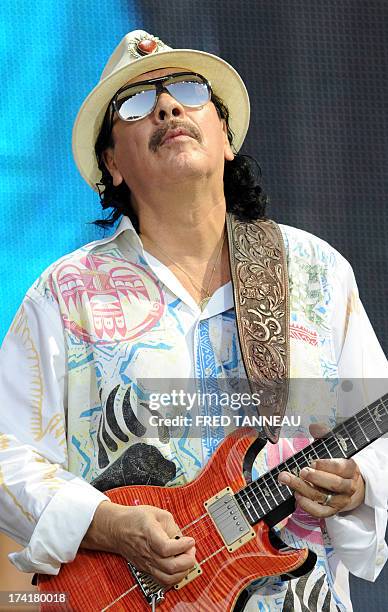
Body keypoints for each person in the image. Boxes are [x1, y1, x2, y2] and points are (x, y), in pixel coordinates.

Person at [0, 29, 387, 611]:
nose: (167, 105)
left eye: (187, 89)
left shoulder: (315, 271)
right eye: (135, 103)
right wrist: (105, 523)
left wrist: (359, 486)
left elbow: (376, 431)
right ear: (112, 162)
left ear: (225, 137)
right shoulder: (64, 294)